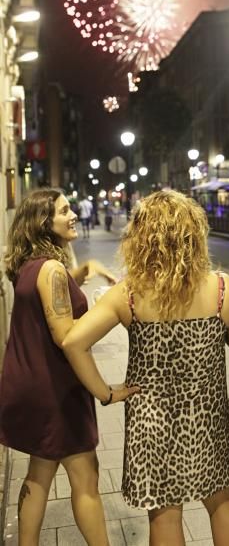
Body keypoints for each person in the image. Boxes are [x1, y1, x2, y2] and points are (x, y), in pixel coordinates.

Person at [62, 190, 229, 546]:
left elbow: (74, 342)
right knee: (221, 500)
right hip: (207, 415)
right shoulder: (222, 289)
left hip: (151, 423)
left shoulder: (129, 295)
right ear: (194, 235)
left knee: (165, 514)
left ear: (140, 238)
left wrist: (106, 393)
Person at [0, 189, 118, 546]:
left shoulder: (29, 265)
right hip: (56, 390)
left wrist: (84, 271)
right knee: (86, 479)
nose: (73, 215)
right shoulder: (51, 270)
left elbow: (54, 295)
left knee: (39, 473)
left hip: (30, 382)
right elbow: (67, 337)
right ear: (43, 222)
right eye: (64, 210)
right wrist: (109, 309)